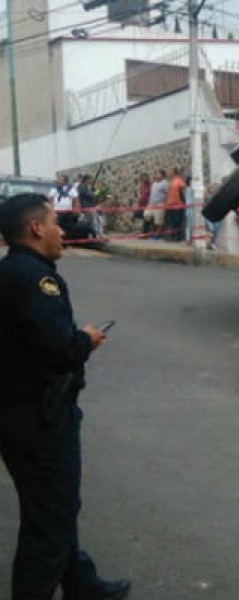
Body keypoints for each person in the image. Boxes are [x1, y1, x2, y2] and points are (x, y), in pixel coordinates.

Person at [0, 194, 131, 600]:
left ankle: (80, 582)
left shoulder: (8, 272)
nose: (62, 231)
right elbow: (58, 351)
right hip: (40, 417)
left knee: (53, 507)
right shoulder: (38, 279)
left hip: (16, 413)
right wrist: (86, 339)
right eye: (55, 222)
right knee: (49, 519)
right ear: (36, 228)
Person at [164, 167, 186, 242]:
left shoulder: (179, 180)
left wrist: (183, 203)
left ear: (174, 172)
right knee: (171, 222)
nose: (169, 173)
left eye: (170, 171)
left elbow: (183, 191)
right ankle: (173, 236)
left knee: (177, 221)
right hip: (169, 206)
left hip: (177, 205)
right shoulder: (171, 181)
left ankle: (178, 237)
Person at [146, 169, 168, 239]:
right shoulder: (154, 183)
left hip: (160, 204)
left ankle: (157, 235)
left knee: (159, 221)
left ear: (162, 175)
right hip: (151, 204)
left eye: (158, 174)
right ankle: (151, 232)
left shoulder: (165, 183)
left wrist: (165, 204)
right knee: (147, 215)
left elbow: (167, 193)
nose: (157, 175)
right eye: (156, 174)